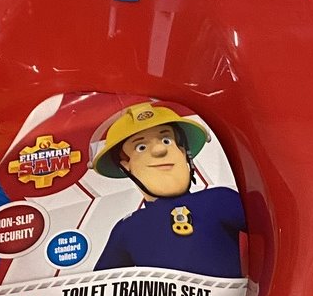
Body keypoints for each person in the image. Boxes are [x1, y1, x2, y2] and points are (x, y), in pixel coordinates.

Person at [91, 103, 245, 278]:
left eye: (166, 140)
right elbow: (100, 286)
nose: (160, 150)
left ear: (182, 152)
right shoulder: (127, 228)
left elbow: (271, 228)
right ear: (126, 167)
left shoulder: (219, 199)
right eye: (141, 147)